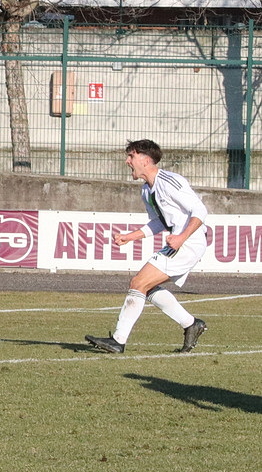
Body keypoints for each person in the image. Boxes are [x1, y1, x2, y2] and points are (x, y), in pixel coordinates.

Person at [85, 140, 208, 354]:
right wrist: (129, 237)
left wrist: (181, 237)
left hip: (189, 242)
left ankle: (118, 340)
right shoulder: (146, 190)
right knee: (147, 287)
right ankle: (191, 324)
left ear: (145, 159)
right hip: (181, 243)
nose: (127, 161)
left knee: (138, 282)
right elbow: (158, 222)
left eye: (131, 157)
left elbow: (200, 211)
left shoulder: (170, 181)